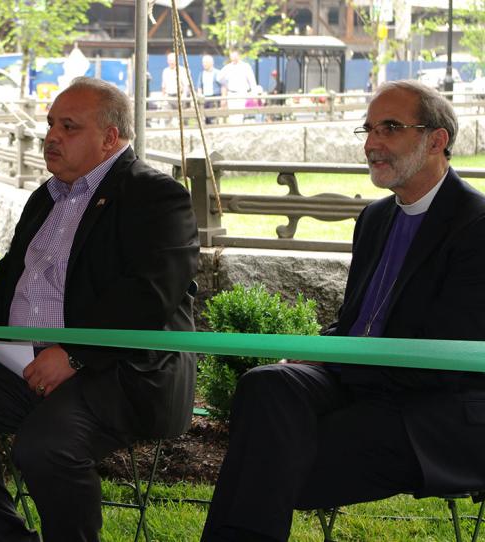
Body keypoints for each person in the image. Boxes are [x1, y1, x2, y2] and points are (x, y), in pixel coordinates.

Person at [201, 79, 485, 542]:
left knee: (272, 460)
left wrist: (335, 355)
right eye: (368, 129)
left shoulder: (476, 226)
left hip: (431, 407)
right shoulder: (375, 219)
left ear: (437, 140)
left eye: (390, 128)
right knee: (267, 384)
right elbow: (360, 322)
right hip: (359, 379)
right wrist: (322, 350)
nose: (372, 143)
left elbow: (448, 357)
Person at [0, 76, 199, 542]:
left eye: (69, 127)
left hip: (118, 370)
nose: (52, 137)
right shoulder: (45, 196)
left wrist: (73, 353)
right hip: (25, 364)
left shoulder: (154, 195)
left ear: (110, 138)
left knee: (46, 445)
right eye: (51, 124)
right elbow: (8, 278)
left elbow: (151, 295)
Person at [217, 50, 258, 123]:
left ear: (239, 56)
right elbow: (219, 78)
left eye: (235, 56)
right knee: (232, 114)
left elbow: (252, 82)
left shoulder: (245, 66)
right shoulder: (228, 67)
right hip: (232, 93)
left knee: (241, 113)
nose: (234, 58)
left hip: (242, 93)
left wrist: (254, 94)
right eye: (232, 56)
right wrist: (226, 84)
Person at [161, 51, 189, 124]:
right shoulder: (165, 71)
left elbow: (186, 84)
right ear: (167, 61)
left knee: (182, 117)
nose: (171, 62)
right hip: (169, 96)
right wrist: (163, 97)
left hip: (179, 96)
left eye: (173, 60)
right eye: (170, 60)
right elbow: (164, 85)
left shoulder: (182, 70)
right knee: (166, 116)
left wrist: (184, 95)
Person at [197, 54, 222, 125]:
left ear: (211, 63)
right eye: (203, 62)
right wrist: (199, 96)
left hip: (214, 97)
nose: (204, 64)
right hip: (205, 98)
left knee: (214, 117)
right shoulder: (202, 74)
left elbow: (223, 86)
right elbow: (199, 86)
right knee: (205, 117)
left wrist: (223, 99)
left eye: (206, 62)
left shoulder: (217, 73)